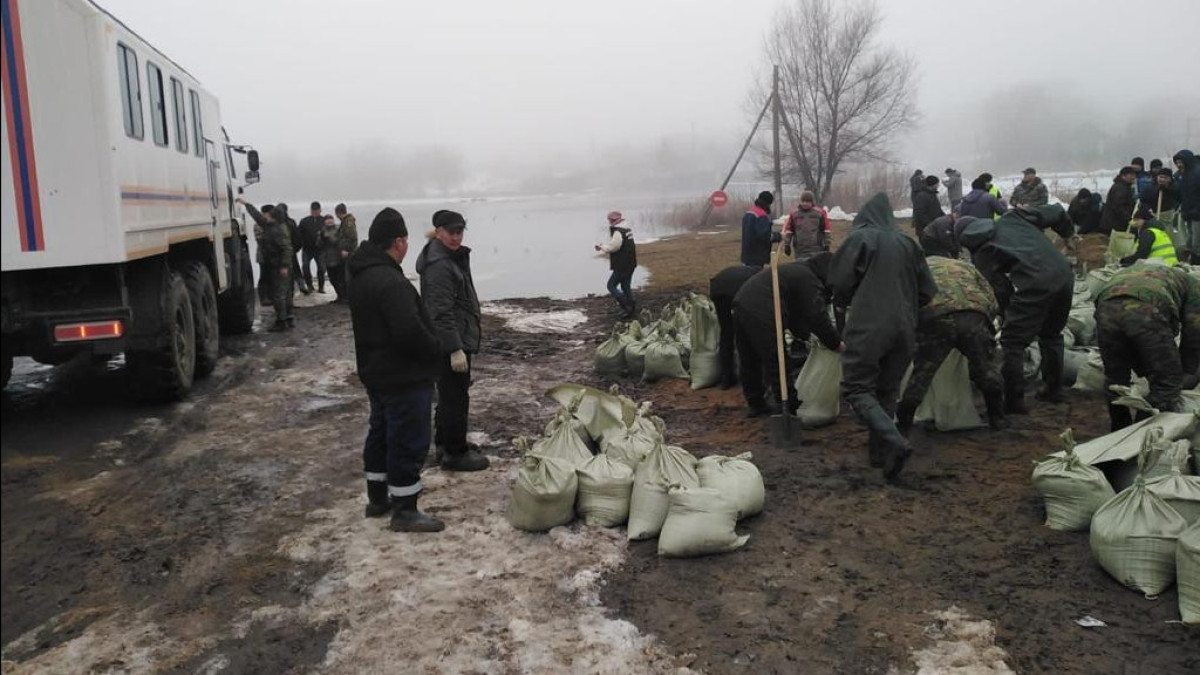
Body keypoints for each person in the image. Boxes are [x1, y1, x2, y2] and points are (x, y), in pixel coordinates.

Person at [348, 207, 446, 532]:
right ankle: (405, 510)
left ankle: (377, 499)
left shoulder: (362, 275)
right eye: (405, 240)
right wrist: (436, 351)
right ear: (399, 242)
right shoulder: (391, 282)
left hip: (377, 373)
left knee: (381, 434)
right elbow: (408, 332)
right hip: (403, 376)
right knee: (407, 439)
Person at [829, 193, 936, 478]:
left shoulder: (862, 239)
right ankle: (879, 455)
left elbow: (839, 282)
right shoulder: (908, 243)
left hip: (869, 325)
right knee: (887, 389)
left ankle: (897, 443)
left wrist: (846, 302)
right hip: (905, 327)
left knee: (857, 388)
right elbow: (927, 291)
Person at [957, 204, 1074, 413]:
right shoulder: (1014, 217)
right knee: (1052, 334)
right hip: (1064, 273)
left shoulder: (982, 250)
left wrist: (1005, 314)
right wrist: (1067, 234)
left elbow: (999, 288)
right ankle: (1054, 389)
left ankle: (1014, 402)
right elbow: (1056, 211)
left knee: (1012, 342)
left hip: (1036, 282)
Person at [896, 256, 1006, 433]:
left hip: (936, 317)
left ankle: (903, 423)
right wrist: (987, 325)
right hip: (973, 315)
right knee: (986, 369)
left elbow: (904, 300)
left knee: (922, 375)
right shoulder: (964, 265)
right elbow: (990, 296)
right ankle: (997, 418)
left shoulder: (912, 266)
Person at [416, 209, 488, 472]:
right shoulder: (439, 266)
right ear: (439, 232)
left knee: (449, 394)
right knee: (456, 396)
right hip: (450, 341)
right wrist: (455, 348)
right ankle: (455, 454)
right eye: (451, 232)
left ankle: (445, 444)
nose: (456, 237)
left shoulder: (448, 256)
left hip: (454, 336)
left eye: (460, 232)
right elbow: (440, 312)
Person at [731, 252, 844, 417]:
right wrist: (836, 343)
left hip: (741, 304)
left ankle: (756, 404)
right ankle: (788, 407)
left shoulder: (797, 272)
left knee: (749, 359)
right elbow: (817, 316)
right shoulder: (808, 279)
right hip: (762, 310)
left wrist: (805, 337)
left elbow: (797, 315)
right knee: (778, 359)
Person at [1094, 264, 1200, 431]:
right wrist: (1186, 370)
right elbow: (1194, 332)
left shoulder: (1162, 274)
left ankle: (1119, 428)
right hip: (1146, 309)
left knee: (1116, 378)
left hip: (1106, 306)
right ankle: (1141, 432)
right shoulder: (1195, 287)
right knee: (1167, 385)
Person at [239, 199, 294, 331]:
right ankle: (288, 318)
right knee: (283, 292)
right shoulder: (271, 225)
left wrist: (284, 266)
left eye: (269, 214)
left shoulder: (278, 230)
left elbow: (287, 249)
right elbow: (257, 216)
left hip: (280, 265)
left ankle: (283, 321)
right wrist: (246, 204)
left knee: (279, 294)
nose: (266, 215)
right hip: (276, 264)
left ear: (273, 216)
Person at [709, 265, 761, 389]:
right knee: (746, 334)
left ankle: (726, 378)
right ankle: (749, 376)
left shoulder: (749, 273)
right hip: (733, 290)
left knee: (726, 332)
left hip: (716, 288)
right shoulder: (759, 280)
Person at [594, 210, 637, 318]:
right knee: (625, 285)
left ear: (612, 220)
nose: (608, 222)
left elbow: (614, 247)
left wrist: (602, 247)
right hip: (631, 263)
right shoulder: (627, 229)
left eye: (609, 220)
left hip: (622, 264)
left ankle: (626, 307)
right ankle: (632, 307)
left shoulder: (618, 232)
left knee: (611, 286)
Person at [782, 191, 831, 259]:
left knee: (815, 267)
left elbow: (826, 229)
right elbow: (789, 230)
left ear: (812, 202)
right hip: (800, 249)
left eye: (807, 201)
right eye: (803, 201)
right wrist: (787, 245)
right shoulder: (794, 214)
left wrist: (827, 244)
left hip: (816, 247)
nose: (805, 203)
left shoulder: (820, 213)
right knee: (801, 267)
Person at [326, 203, 358, 303]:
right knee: (344, 276)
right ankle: (345, 297)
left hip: (349, 253)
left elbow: (352, 237)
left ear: (338, 213)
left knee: (348, 276)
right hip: (345, 253)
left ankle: (349, 298)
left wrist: (347, 250)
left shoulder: (348, 222)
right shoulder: (345, 222)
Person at [1175, 150, 1200, 264]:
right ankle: (1192, 260)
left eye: (1181, 162)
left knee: (1196, 241)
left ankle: (1196, 261)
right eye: (1177, 162)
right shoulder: (1181, 175)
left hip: (1197, 213)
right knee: (1190, 237)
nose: (1179, 164)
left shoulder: (1197, 173)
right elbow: (1182, 195)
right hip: (1188, 212)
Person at [741, 191, 778, 267]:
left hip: (747, 254)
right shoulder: (762, 215)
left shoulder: (749, 212)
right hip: (758, 256)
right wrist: (778, 236)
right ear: (768, 203)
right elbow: (764, 236)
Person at [297, 201, 326, 294]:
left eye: (317, 210)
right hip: (307, 249)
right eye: (313, 210)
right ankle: (309, 286)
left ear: (320, 210)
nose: (315, 212)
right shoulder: (304, 221)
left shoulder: (324, 220)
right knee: (305, 267)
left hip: (320, 249)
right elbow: (298, 234)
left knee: (321, 268)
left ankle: (321, 287)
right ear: (311, 210)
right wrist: (300, 244)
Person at [1099, 166, 1138, 235]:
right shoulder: (1120, 188)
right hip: (1115, 224)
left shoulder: (1125, 187)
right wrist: (1128, 219)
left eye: (1134, 175)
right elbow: (1119, 206)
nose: (1133, 177)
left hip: (1116, 223)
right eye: (1131, 175)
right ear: (1123, 176)